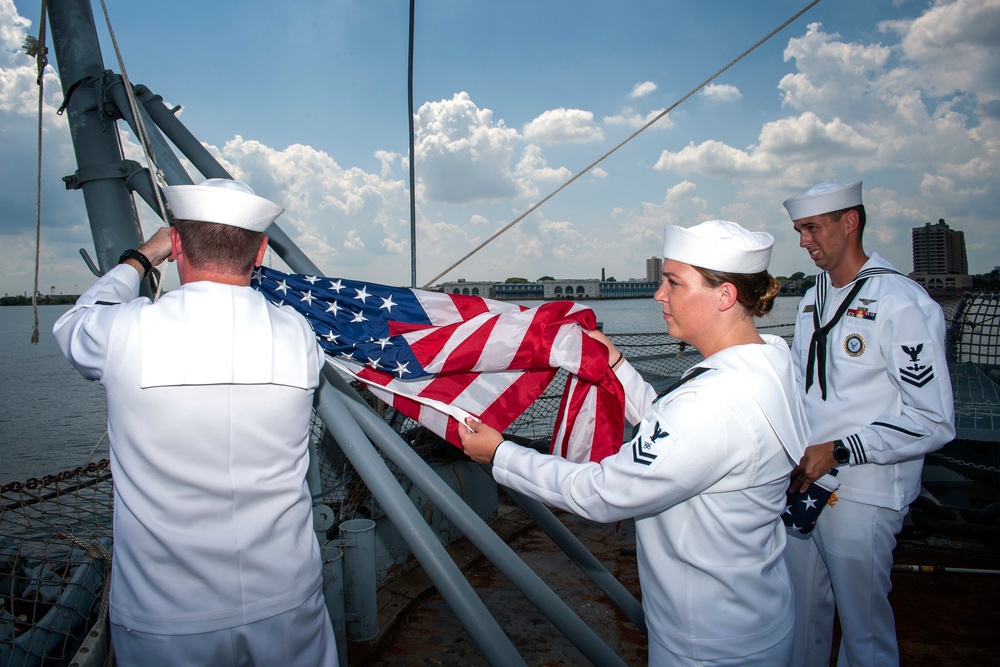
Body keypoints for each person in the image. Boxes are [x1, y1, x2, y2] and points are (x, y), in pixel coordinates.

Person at [461, 220, 809, 666]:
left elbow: (603, 493)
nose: (658, 295)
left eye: (674, 283)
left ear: (725, 296)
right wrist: (618, 363)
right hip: (750, 617)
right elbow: (676, 435)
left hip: (708, 645)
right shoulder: (769, 364)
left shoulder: (717, 401)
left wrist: (500, 454)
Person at [53, 179, 338, 666]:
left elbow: (77, 319)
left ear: (178, 244)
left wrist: (142, 257)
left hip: (166, 617)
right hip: (287, 602)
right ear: (262, 251)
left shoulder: (125, 331)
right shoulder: (297, 334)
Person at [782, 181, 955, 667]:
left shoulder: (900, 301)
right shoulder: (812, 297)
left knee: (864, 633)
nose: (803, 241)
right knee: (800, 619)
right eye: (799, 230)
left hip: (865, 494)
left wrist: (839, 448)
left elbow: (932, 421)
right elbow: (803, 386)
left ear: (849, 222)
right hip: (806, 484)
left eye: (812, 228)